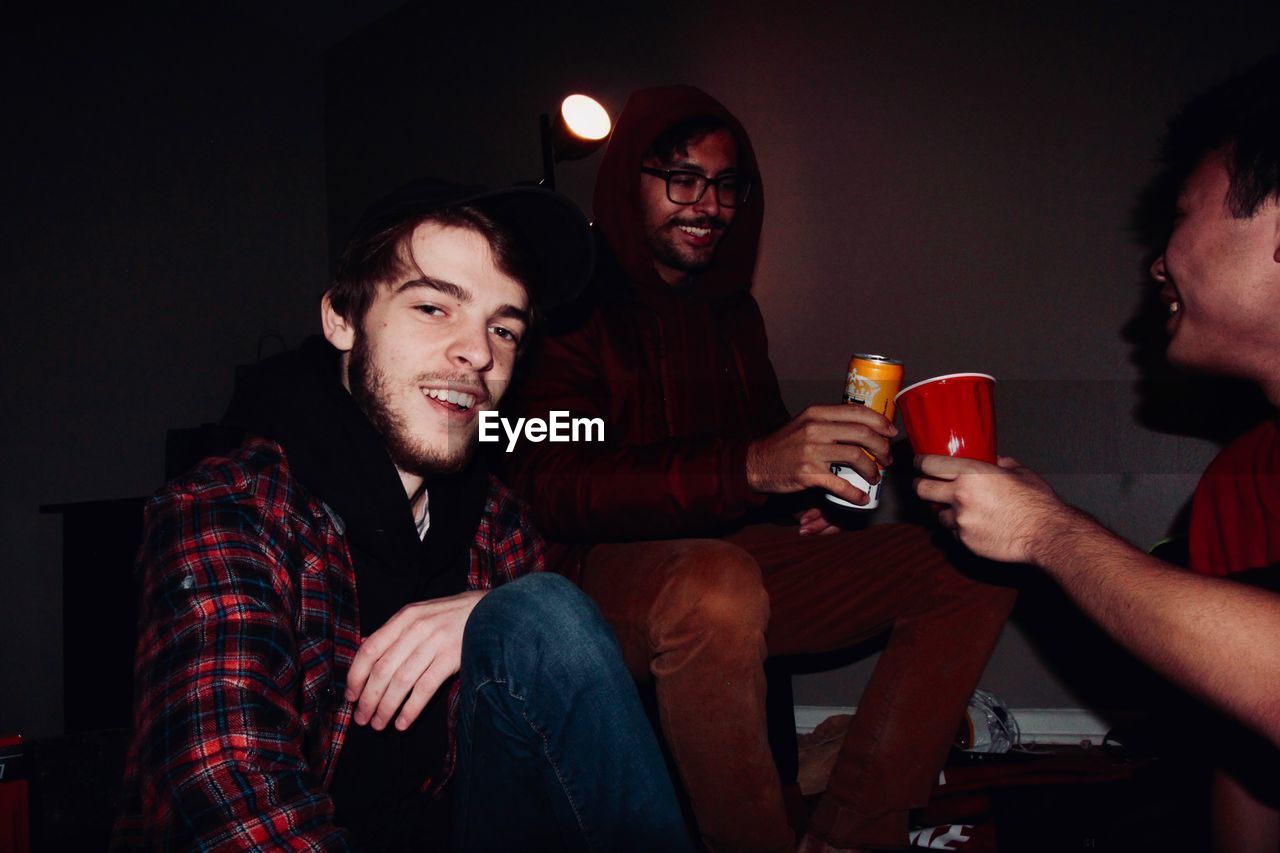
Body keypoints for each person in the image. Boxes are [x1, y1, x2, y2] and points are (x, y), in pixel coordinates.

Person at [505, 85, 1016, 853]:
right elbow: (554, 483)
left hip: (732, 550)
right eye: (680, 177)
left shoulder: (732, 315)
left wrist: (800, 494)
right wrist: (750, 469)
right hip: (588, 576)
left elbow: (759, 444)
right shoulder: (564, 306)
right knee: (715, 582)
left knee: (976, 553)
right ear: (624, 182)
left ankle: (851, 833)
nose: (706, 203)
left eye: (725, 184)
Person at [110, 180, 693, 851]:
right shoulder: (232, 507)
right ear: (342, 320)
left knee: (546, 610)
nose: (479, 352)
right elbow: (230, 793)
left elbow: (572, 718)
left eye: (503, 327)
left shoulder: (497, 525)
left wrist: (493, 613)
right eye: (433, 307)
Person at [909, 53, 1280, 853]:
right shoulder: (1238, 487)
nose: (1157, 260)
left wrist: (1049, 533)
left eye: (1184, 214)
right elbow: (1251, 753)